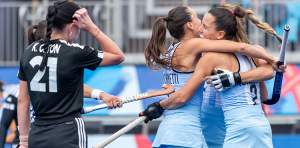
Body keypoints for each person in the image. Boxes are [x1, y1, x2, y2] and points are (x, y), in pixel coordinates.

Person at [140, 6, 284, 148]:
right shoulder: (253, 52)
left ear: (221, 34)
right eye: (199, 20)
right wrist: (272, 61)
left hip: (189, 131)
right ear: (189, 25)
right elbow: (264, 81)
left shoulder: (196, 53)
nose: (201, 28)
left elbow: (260, 67)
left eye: (205, 26)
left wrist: (237, 77)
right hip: (251, 127)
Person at [17, 0, 125, 148]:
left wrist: (23, 142)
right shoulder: (75, 52)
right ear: (72, 26)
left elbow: (23, 101)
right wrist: (93, 28)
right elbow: (117, 56)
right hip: (67, 133)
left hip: (36, 135)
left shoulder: (29, 51)